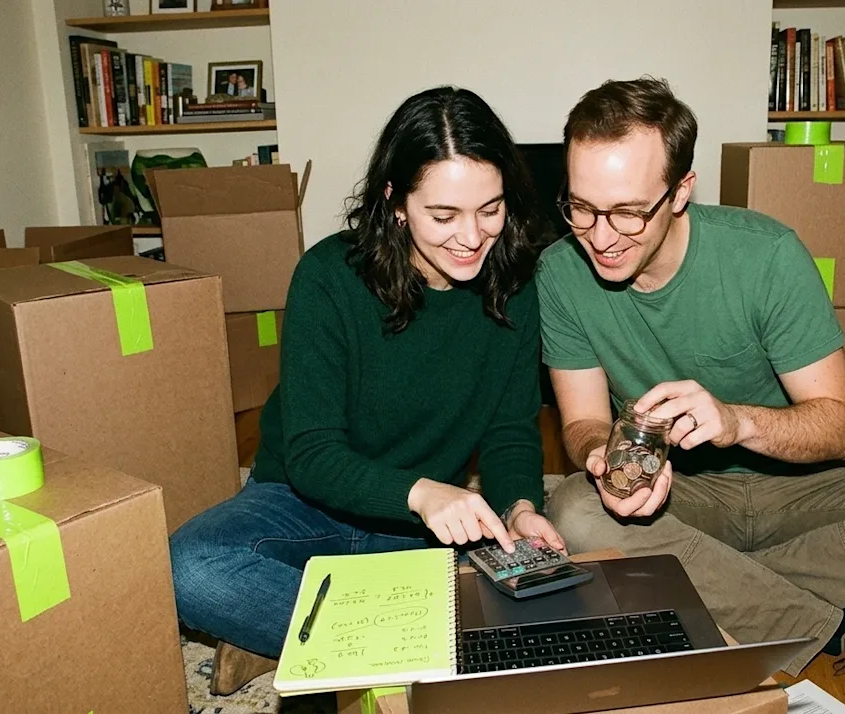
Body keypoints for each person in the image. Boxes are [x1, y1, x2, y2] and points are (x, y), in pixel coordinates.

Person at [537, 77, 845, 699]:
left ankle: (699, 589)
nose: (600, 236)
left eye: (628, 212)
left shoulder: (766, 255)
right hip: (678, 496)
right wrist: (604, 456)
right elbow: (582, 424)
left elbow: (842, 430)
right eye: (581, 208)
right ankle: (840, 631)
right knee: (573, 509)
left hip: (801, 489)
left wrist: (738, 422)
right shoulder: (560, 273)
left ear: (681, 192)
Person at [169, 85, 564, 695]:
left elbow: (510, 429)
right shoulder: (328, 276)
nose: (472, 236)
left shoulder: (515, 287)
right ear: (395, 202)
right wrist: (422, 493)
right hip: (305, 503)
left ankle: (303, 637)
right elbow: (312, 455)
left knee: (544, 589)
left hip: (419, 529)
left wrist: (519, 508)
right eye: (443, 216)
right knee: (190, 566)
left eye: (491, 209)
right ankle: (389, 637)